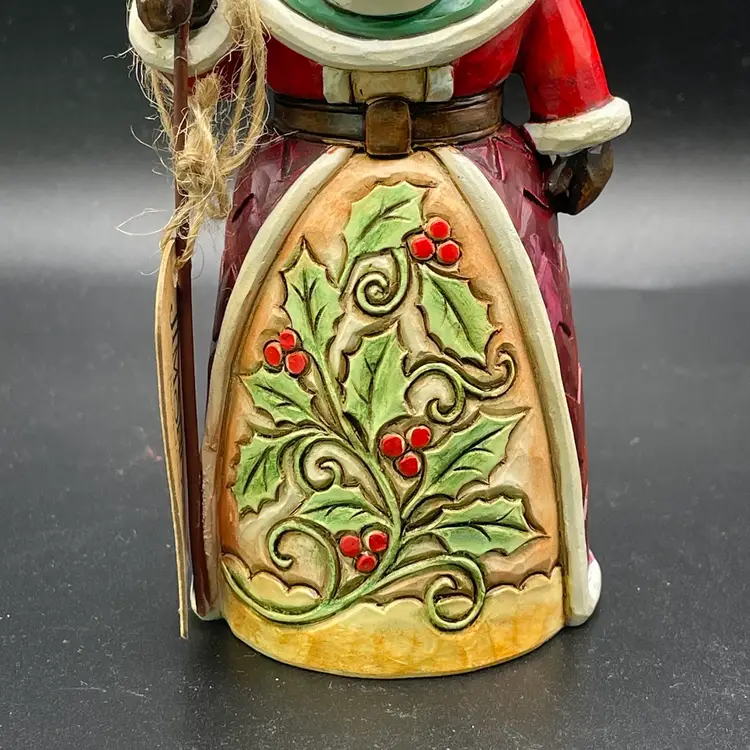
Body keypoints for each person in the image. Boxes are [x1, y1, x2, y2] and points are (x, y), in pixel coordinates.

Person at [130, 0, 631, 677]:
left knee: (510, 374)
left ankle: (518, 582)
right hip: (302, 182)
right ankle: (277, 583)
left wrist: (580, 127)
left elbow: (558, 45)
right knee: (290, 382)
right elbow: (204, 64)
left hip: (476, 177)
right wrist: (181, 16)